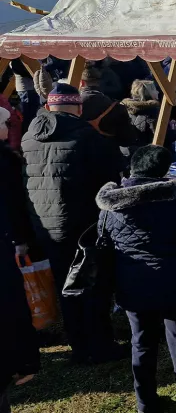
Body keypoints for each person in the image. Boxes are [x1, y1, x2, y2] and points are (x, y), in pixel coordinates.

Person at [97, 145, 176, 413]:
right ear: (163, 172)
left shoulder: (111, 203)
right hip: (175, 283)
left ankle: (145, 403)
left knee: (142, 342)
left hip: (133, 284)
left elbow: (103, 242)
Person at [22, 82, 124, 364]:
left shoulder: (28, 139)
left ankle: (79, 345)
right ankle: (101, 346)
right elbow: (110, 181)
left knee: (66, 287)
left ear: (47, 107)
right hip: (82, 225)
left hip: (44, 226)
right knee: (93, 285)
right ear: (78, 109)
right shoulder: (87, 137)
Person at [0, 106, 38, 413]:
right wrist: (20, 239)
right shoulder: (5, 161)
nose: (8, 127)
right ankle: (18, 363)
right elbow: (12, 205)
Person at [122, 79, 162, 149]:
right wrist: (173, 130)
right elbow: (161, 137)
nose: (157, 92)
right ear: (148, 93)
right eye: (154, 90)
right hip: (150, 153)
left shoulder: (124, 108)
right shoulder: (153, 111)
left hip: (129, 151)